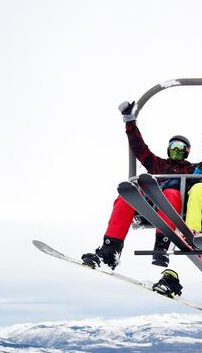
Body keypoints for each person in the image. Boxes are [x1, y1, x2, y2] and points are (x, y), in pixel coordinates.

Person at [82, 101, 194, 270]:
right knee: (125, 198)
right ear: (168, 149)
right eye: (173, 146)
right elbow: (138, 147)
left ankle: (161, 246)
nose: (176, 150)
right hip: (152, 200)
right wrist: (129, 121)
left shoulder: (192, 169)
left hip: (174, 203)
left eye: (180, 147)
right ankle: (109, 251)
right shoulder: (158, 164)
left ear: (186, 151)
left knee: (170, 193)